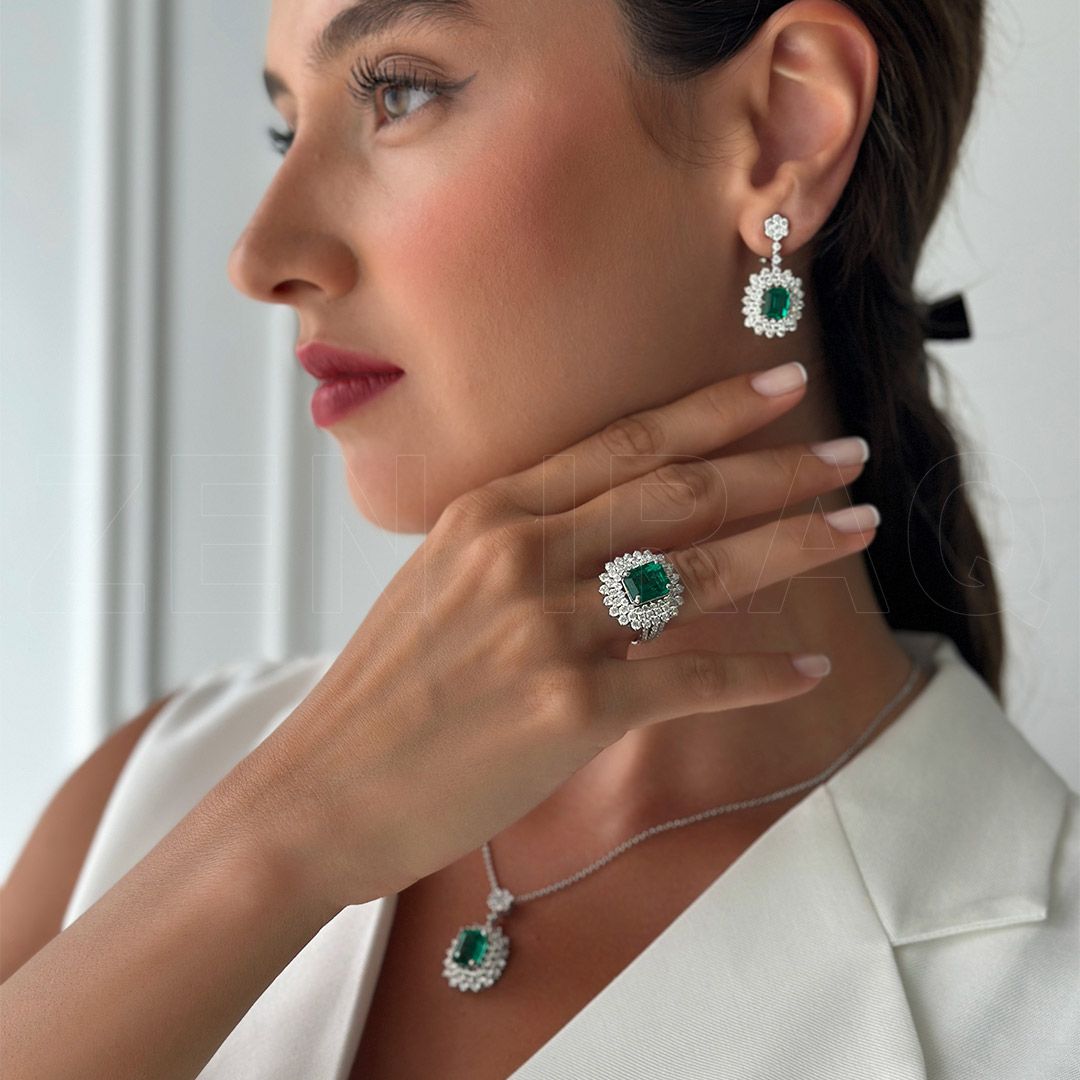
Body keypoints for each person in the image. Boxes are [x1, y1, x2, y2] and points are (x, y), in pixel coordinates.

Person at [2, 0, 1076, 1077]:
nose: (261, 256)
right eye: (288, 130)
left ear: (782, 129)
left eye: (398, 92)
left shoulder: (1041, 1003)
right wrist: (280, 843)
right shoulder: (143, 801)